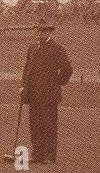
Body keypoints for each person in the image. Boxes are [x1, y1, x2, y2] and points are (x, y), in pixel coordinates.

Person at [20, 19, 73, 164]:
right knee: (35, 124)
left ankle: (50, 155)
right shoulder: (32, 48)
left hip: (49, 95)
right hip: (33, 94)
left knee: (49, 125)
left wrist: (58, 82)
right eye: (39, 30)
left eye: (43, 31)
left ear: (49, 32)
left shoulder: (57, 48)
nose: (40, 33)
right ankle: (37, 154)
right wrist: (23, 85)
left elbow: (67, 69)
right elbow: (27, 69)